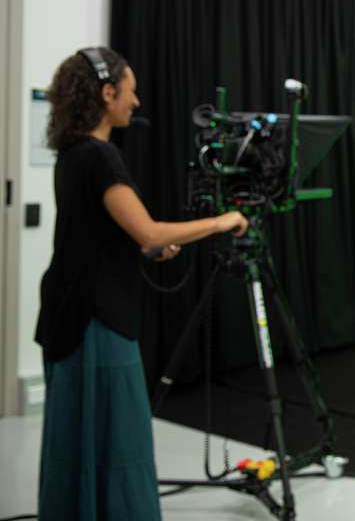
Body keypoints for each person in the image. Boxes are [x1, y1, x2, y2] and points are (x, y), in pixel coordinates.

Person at [35, 47, 249, 520]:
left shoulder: (72, 154)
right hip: (95, 319)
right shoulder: (100, 156)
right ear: (107, 93)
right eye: (130, 92)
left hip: (65, 313)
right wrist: (221, 222)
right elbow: (149, 230)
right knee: (120, 437)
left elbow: (95, 233)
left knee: (77, 441)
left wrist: (139, 246)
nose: (136, 102)